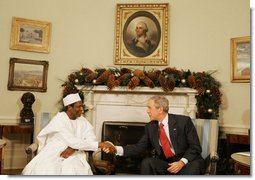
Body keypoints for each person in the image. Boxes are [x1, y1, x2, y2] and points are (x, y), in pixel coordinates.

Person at [106, 95, 205, 175]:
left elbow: (195, 147)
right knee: (148, 162)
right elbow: (138, 147)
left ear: (160, 109)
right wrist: (115, 148)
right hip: (168, 163)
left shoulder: (183, 122)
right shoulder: (151, 127)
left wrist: (181, 162)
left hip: (188, 162)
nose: (147, 111)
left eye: (149, 107)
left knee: (194, 167)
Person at [22, 93, 115, 175]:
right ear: (69, 107)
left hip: (75, 153)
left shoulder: (83, 121)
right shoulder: (59, 120)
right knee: (47, 169)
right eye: (78, 107)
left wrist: (73, 148)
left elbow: (91, 138)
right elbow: (71, 140)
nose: (82, 109)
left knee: (73, 168)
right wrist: (101, 144)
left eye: (81, 106)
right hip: (55, 152)